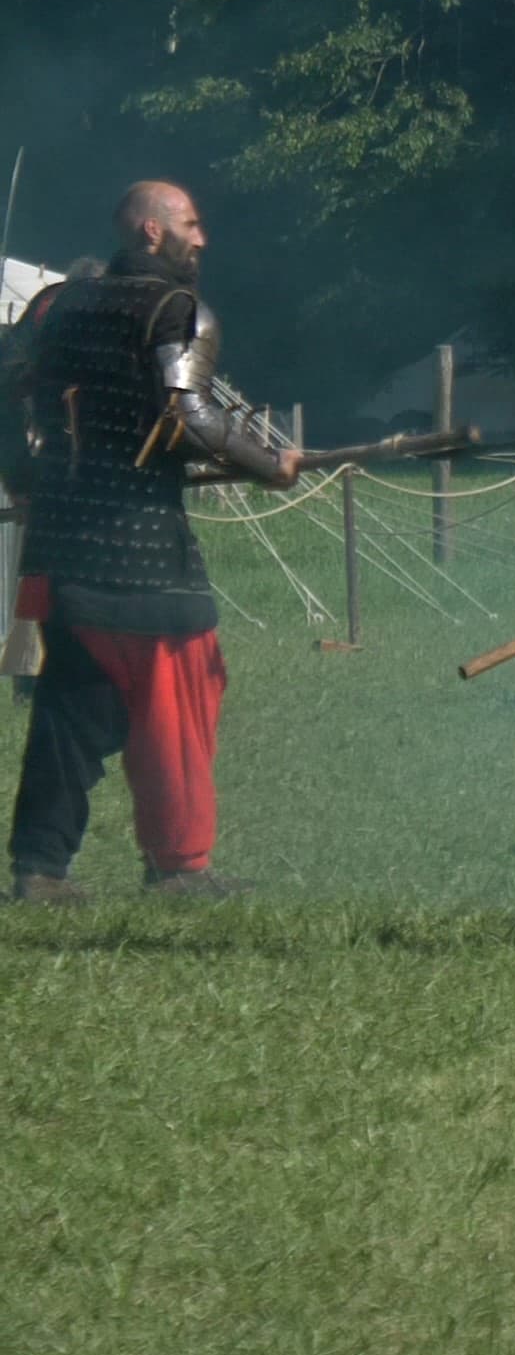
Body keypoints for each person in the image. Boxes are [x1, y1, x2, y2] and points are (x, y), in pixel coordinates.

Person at [2, 182, 299, 903]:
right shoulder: (178, 312)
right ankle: (179, 867)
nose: (203, 239)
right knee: (181, 698)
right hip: (142, 556)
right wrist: (270, 463)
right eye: (191, 225)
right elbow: (190, 417)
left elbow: (8, 388)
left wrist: (26, 479)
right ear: (150, 232)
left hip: (65, 546)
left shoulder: (55, 306)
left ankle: (40, 869)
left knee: (75, 706)